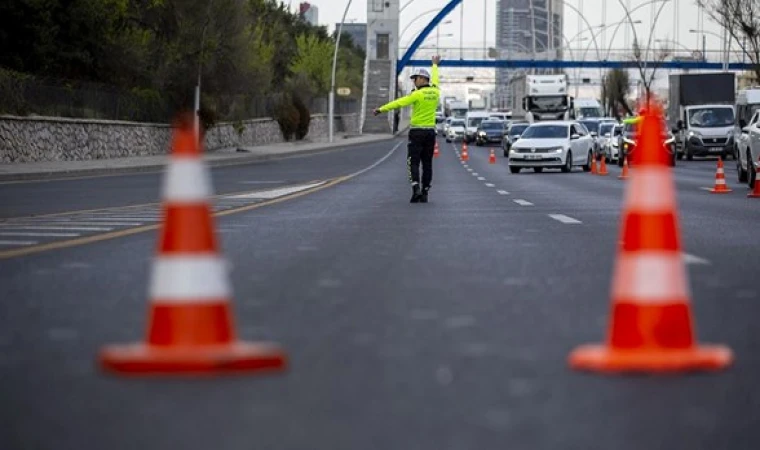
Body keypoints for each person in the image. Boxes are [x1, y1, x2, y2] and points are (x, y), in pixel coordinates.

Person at [374, 56, 441, 203]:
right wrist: (434, 65)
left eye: (415, 78)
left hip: (417, 132)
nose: (414, 81)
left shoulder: (416, 94)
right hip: (430, 132)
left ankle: (416, 187)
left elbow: (399, 103)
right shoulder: (436, 92)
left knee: (413, 161)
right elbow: (435, 79)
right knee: (427, 163)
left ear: (422, 79)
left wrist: (381, 109)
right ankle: (425, 192)